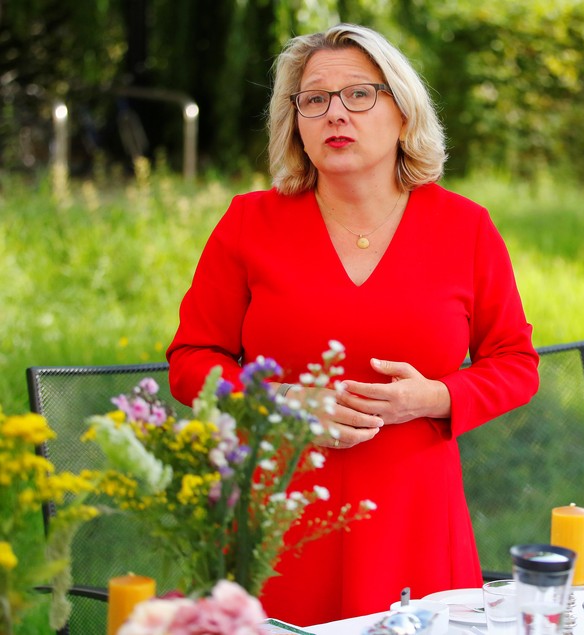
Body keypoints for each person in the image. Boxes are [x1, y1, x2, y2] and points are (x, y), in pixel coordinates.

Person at [166, 23, 539, 626]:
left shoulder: (464, 228)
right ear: (296, 123)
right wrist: (281, 402)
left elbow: (515, 363)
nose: (335, 113)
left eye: (359, 94)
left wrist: (436, 396)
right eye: (314, 99)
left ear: (402, 112)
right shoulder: (248, 222)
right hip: (280, 520)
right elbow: (191, 361)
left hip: (416, 521)